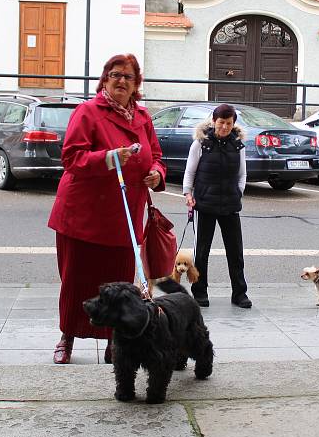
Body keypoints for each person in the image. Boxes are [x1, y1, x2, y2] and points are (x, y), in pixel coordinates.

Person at [47, 54, 166, 364]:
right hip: (83, 217)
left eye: (128, 76)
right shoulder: (88, 112)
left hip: (124, 220)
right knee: (76, 282)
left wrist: (157, 173)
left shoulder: (143, 117)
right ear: (105, 79)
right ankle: (67, 337)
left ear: (136, 83)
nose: (121, 81)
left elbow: (156, 155)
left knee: (123, 285)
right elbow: (72, 158)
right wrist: (110, 158)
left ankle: (117, 341)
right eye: (115, 74)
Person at [184, 104, 252, 309]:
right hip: (204, 204)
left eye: (228, 123)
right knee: (201, 252)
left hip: (230, 205)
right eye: (221, 122)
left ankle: (239, 293)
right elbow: (190, 172)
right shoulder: (201, 143)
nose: (224, 127)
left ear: (233, 124)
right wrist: (188, 193)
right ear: (213, 121)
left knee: (235, 252)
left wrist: (238, 192)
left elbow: (243, 174)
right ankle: (199, 291)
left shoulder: (238, 145)